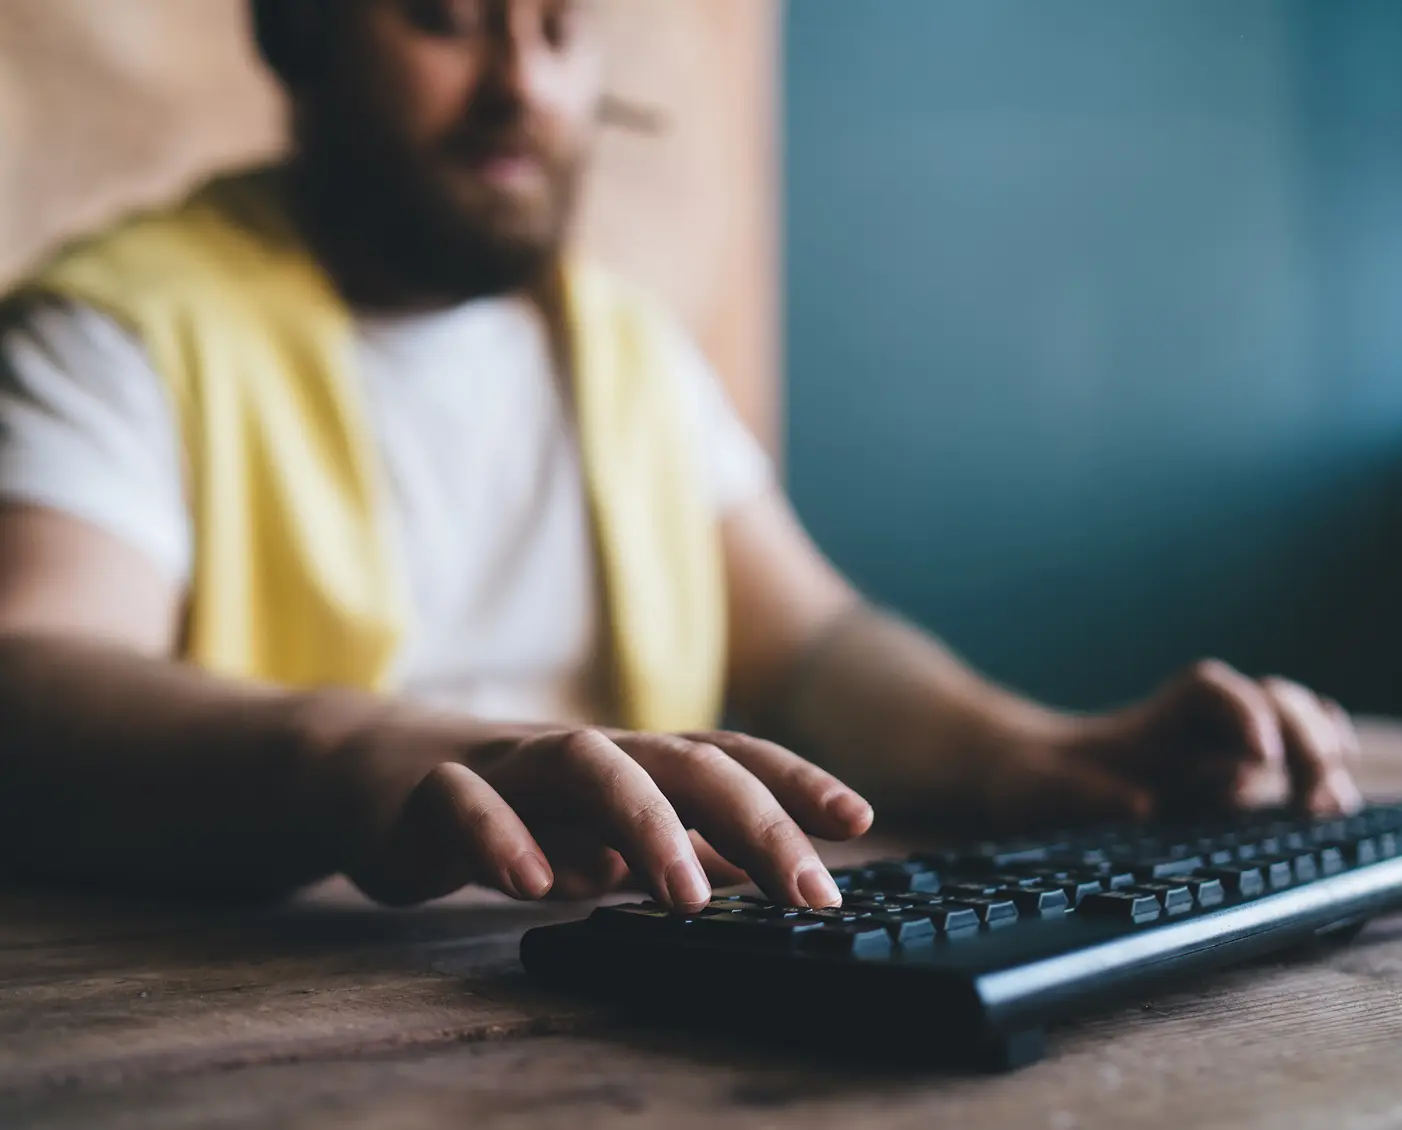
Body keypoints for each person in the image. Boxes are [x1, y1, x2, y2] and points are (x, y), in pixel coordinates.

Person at [0, 0, 1361, 912]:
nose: (520, 84)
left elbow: (811, 647)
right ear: (294, 33)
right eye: (440, 15)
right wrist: (380, 756)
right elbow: (31, 675)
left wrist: (1040, 750)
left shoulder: (622, 348)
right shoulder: (115, 330)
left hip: (627, 1009)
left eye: (556, 26)